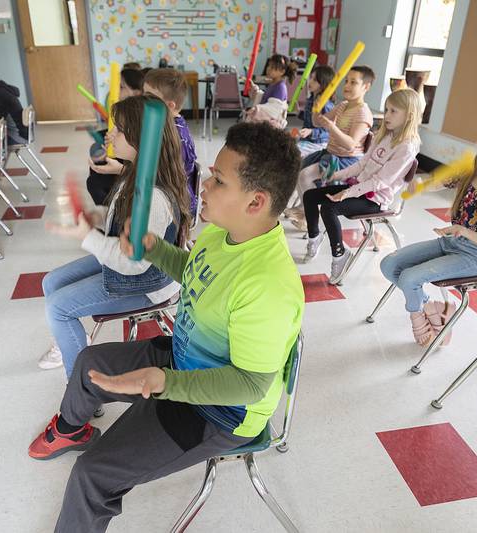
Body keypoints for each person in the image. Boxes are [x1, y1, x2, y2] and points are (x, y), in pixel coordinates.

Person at [28, 121, 304, 532]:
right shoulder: (222, 235)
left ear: (255, 202)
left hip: (220, 410)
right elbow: (193, 271)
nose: (204, 186)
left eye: (218, 180)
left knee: (92, 475)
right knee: (88, 365)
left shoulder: (268, 286)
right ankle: (71, 429)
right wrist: (155, 251)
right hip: (184, 358)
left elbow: (249, 386)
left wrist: (165, 383)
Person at [38, 95, 192, 377]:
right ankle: (71, 339)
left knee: (58, 308)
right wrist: (97, 221)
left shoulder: (154, 197)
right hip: (125, 260)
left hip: (147, 282)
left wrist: (89, 236)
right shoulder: (138, 173)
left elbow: (135, 263)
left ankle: (81, 391)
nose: (112, 134)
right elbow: (122, 225)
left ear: (139, 138)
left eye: (119, 129)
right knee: (51, 282)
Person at [379, 107, 477, 346]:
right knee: (389, 264)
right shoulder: (474, 171)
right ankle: (435, 307)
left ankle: (419, 318)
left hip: (475, 256)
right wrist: (422, 183)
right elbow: (437, 183)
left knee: (410, 278)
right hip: (451, 243)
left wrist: (463, 230)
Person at [301, 88, 422, 282]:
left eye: (393, 111)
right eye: (387, 109)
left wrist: (347, 193)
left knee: (329, 208)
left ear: (409, 116)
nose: (387, 115)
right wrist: (335, 177)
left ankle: (339, 256)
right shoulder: (384, 135)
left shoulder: (407, 146)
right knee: (310, 196)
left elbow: (379, 182)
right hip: (359, 189)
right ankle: (314, 238)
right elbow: (361, 165)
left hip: (375, 200)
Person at [286, 65, 375, 225]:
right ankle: (304, 208)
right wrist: (316, 109)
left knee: (306, 176)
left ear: (366, 87)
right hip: (330, 153)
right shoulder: (342, 105)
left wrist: (331, 127)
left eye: (353, 82)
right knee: (298, 171)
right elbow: (317, 122)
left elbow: (350, 144)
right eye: (346, 81)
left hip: (346, 160)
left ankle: (309, 217)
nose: (347, 85)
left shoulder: (363, 113)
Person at [86, 68, 146, 205]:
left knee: (94, 183)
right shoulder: (124, 111)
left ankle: (113, 206)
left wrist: (119, 167)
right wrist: (107, 150)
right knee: (94, 177)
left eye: (121, 86)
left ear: (136, 92)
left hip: (129, 171)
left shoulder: (138, 119)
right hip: (127, 168)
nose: (115, 90)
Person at [143, 68, 198, 215]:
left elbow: (165, 177)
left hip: (177, 203)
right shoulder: (164, 123)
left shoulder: (174, 136)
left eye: (149, 96)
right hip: (166, 192)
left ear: (169, 105)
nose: (142, 101)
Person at [244, 54, 297, 128]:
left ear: (282, 72)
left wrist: (257, 109)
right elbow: (266, 98)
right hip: (265, 122)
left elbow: (274, 108)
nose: (268, 69)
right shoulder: (273, 83)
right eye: (269, 66)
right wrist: (255, 91)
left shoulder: (280, 87)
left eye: (272, 67)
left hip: (271, 126)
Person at [296, 65, 335, 156]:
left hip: (318, 143)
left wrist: (311, 132)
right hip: (306, 140)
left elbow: (328, 131)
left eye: (315, 80)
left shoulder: (326, 105)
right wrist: (299, 112)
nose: (310, 81)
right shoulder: (311, 99)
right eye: (311, 77)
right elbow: (309, 119)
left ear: (323, 84)